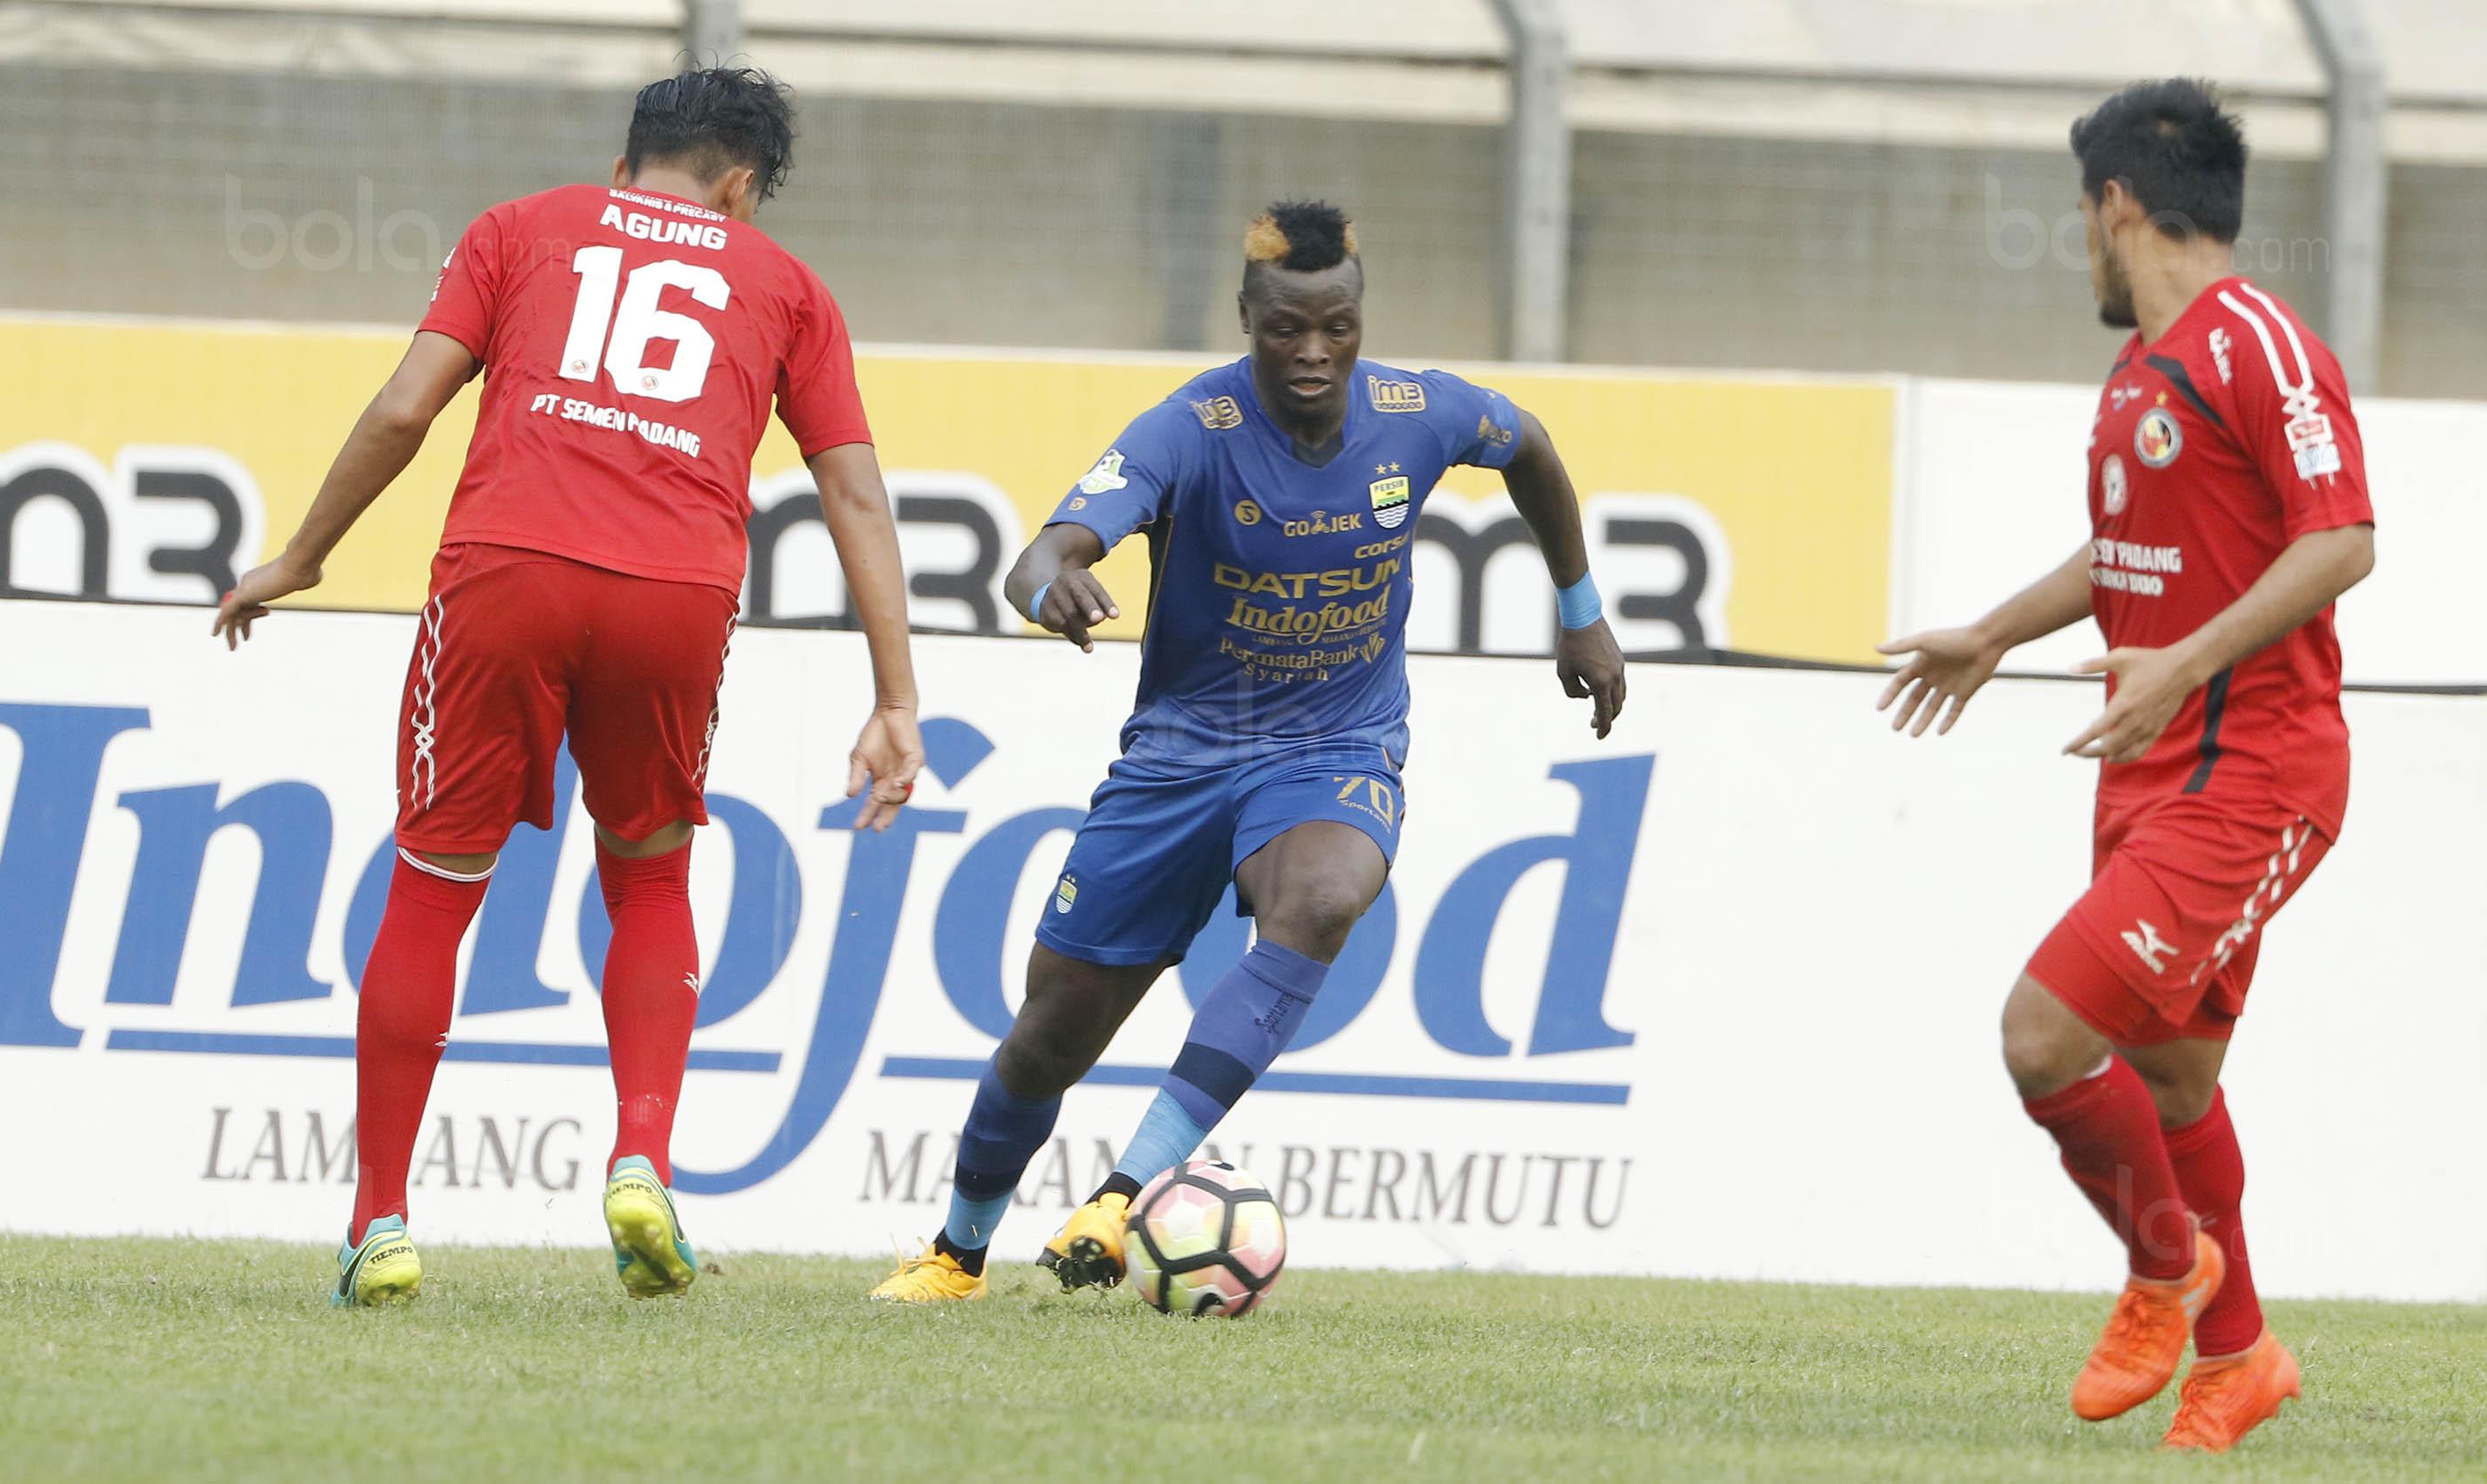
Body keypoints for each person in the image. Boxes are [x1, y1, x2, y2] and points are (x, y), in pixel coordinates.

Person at [212, 67, 925, 1307]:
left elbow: (401, 410)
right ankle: (642, 1154)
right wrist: (896, 695)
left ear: (627, 159)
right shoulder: (788, 289)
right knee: (648, 868)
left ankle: (379, 1219)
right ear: (743, 186)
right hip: (675, 592)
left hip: (507, 573)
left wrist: (304, 552)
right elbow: (854, 490)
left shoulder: (521, 227)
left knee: (436, 880)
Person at [869, 200, 1628, 1302]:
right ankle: (957, 1253)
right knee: (1048, 1039)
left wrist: (1582, 606)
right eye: (1285, 329)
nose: (1313, 352)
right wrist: (1051, 589)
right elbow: (1038, 553)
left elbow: (1536, 451)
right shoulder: (1190, 429)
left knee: (1324, 898)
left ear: (1362, 317)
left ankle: (1124, 1196)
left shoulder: (1420, 414)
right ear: (1246, 318)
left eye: (1337, 327)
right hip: (1182, 756)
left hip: (1336, 741)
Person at [1877, 78, 2374, 1452]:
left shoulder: (2263, 346)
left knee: (2044, 1034)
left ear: (2115, 206)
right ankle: (2239, 1355)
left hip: (2256, 771)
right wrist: (1992, 631)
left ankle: (2168, 1275)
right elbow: (2133, 558)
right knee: (2172, 1089)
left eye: (2080, 215)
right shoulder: (2143, 370)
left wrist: (2186, 661)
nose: (2082, 240)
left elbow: (2343, 539)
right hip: (2156, 770)